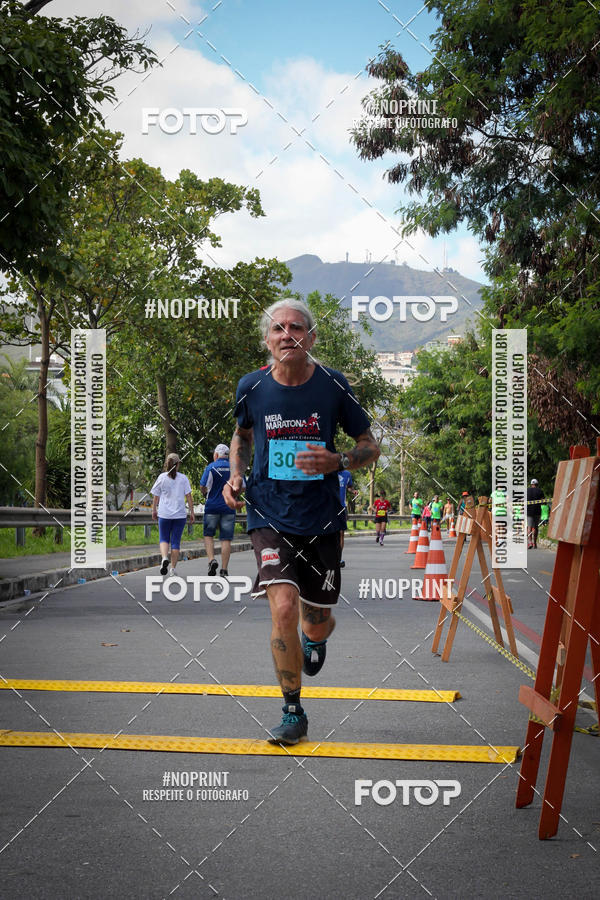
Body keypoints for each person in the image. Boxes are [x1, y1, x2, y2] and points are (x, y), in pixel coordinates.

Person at [223, 298, 380, 745]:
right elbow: (242, 436)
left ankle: (317, 637)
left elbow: (370, 445)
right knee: (284, 608)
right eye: (278, 328)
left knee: (314, 619)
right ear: (266, 340)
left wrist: (339, 460)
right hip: (268, 512)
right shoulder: (251, 386)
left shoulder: (332, 384)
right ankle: (293, 710)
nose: (286, 334)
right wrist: (236, 474)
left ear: (310, 338)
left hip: (321, 517)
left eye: (296, 328)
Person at [151, 452, 195, 576]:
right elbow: (189, 496)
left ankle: (164, 558)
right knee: (175, 542)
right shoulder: (183, 478)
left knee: (164, 538)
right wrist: (192, 512)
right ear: (178, 464)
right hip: (179, 515)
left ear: (167, 464)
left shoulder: (161, 477)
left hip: (164, 514)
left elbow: (156, 496)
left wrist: (154, 510)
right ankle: (172, 569)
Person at [200, 443, 237, 576]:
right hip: (229, 507)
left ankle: (212, 560)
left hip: (212, 507)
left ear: (216, 455)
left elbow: (203, 485)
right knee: (225, 539)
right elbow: (241, 486)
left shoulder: (211, 467)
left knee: (209, 535)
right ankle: (224, 569)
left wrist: (205, 493)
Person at [338, 468, 357, 567]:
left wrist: (353, 491)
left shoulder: (347, 474)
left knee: (341, 533)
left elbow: (349, 487)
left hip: (342, 507)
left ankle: (339, 558)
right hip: (330, 506)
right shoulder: (329, 472)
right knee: (329, 533)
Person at [526, 478, 544, 549]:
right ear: (537, 484)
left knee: (529, 527)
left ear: (531, 484)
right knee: (536, 527)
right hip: (537, 511)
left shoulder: (527, 490)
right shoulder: (540, 491)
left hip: (529, 511)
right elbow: (543, 501)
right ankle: (535, 543)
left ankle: (530, 542)